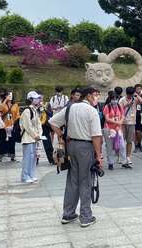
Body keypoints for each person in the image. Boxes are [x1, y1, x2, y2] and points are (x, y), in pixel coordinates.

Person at [49, 86, 104, 228]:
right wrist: (99, 156)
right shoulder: (92, 111)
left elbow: (53, 122)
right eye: (96, 95)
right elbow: (96, 136)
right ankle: (86, 216)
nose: (97, 98)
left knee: (72, 180)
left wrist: (62, 135)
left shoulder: (70, 108)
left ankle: (68, 213)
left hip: (71, 146)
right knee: (85, 180)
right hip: (85, 147)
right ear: (89, 96)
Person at [103, 91, 132, 170]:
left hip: (118, 129)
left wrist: (120, 122)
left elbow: (122, 116)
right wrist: (116, 122)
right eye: (113, 99)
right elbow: (107, 118)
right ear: (110, 99)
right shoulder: (107, 107)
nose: (114, 100)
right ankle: (110, 163)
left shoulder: (119, 106)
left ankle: (124, 162)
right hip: (109, 129)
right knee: (110, 147)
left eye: (116, 99)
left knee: (122, 145)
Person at [20, 91, 43, 183]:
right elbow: (27, 126)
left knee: (33, 158)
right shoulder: (27, 111)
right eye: (35, 98)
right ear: (30, 99)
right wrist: (35, 135)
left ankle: (31, 174)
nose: (38, 99)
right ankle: (25, 176)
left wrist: (39, 134)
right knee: (27, 158)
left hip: (34, 138)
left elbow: (38, 124)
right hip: (28, 138)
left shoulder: (35, 110)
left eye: (38, 98)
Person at [119, 86, 142, 165]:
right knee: (122, 141)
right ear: (126, 94)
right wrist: (127, 105)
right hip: (123, 122)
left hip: (132, 122)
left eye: (131, 95)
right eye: (129, 95)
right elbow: (119, 109)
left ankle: (128, 156)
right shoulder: (122, 100)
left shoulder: (135, 99)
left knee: (129, 141)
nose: (130, 96)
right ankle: (121, 156)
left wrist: (136, 95)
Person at [0, 91, 20, 162]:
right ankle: (0, 156)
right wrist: (5, 100)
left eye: (11, 95)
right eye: (8, 95)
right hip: (3, 125)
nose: (10, 96)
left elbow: (17, 115)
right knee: (2, 140)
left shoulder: (15, 105)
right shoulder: (3, 104)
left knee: (12, 141)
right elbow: (0, 109)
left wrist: (15, 124)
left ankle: (12, 156)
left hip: (12, 125)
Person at [134, 84, 142, 152]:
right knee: (135, 132)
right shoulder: (132, 96)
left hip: (141, 115)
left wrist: (138, 95)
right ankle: (136, 145)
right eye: (137, 88)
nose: (139, 90)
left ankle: (139, 143)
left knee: (139, 131)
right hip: (134, 115)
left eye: (140, 88)